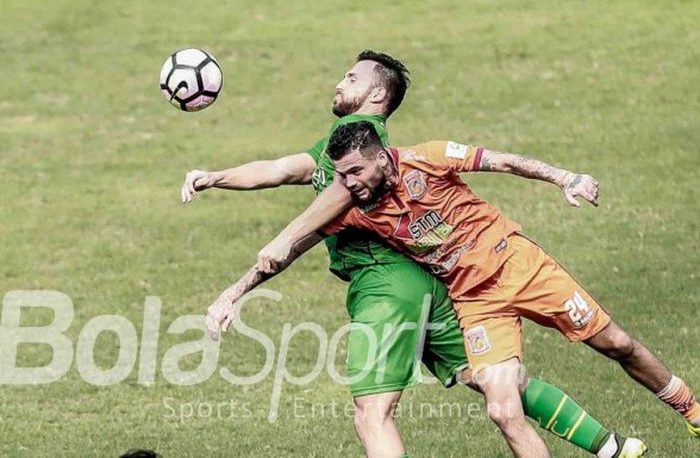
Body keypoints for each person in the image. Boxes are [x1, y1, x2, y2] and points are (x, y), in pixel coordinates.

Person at [191, 52, 643, 458]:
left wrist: (251, 274)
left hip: (384, 287)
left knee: (371, 415)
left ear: (377, 93)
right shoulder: (347, 143)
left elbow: (317, 218)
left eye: (351, 77)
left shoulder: (357, 151)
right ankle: (610, 446)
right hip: (426, 279)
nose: (338, 82)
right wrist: (214, 177)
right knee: (492, 380)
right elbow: (280, 169)